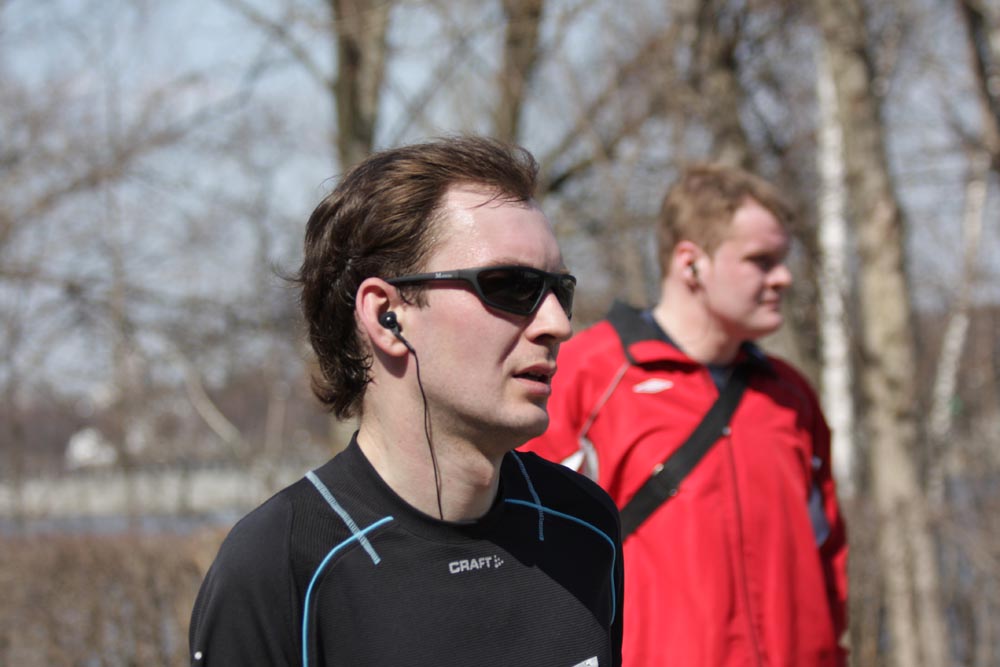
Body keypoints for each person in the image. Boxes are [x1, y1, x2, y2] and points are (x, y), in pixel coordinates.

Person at [188, 136, 623, 667]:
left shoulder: (586, 527)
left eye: (561, 291)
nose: (557, 324)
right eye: (511, 286)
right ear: (386, 316)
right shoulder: (279, 567)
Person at [522, 163, 848, 666]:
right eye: (761, 261)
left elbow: (829, 560)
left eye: (783, 260)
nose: (783, 277)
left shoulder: (791, 395)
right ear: (691, 263)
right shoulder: (587, 378)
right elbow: (530, 560)